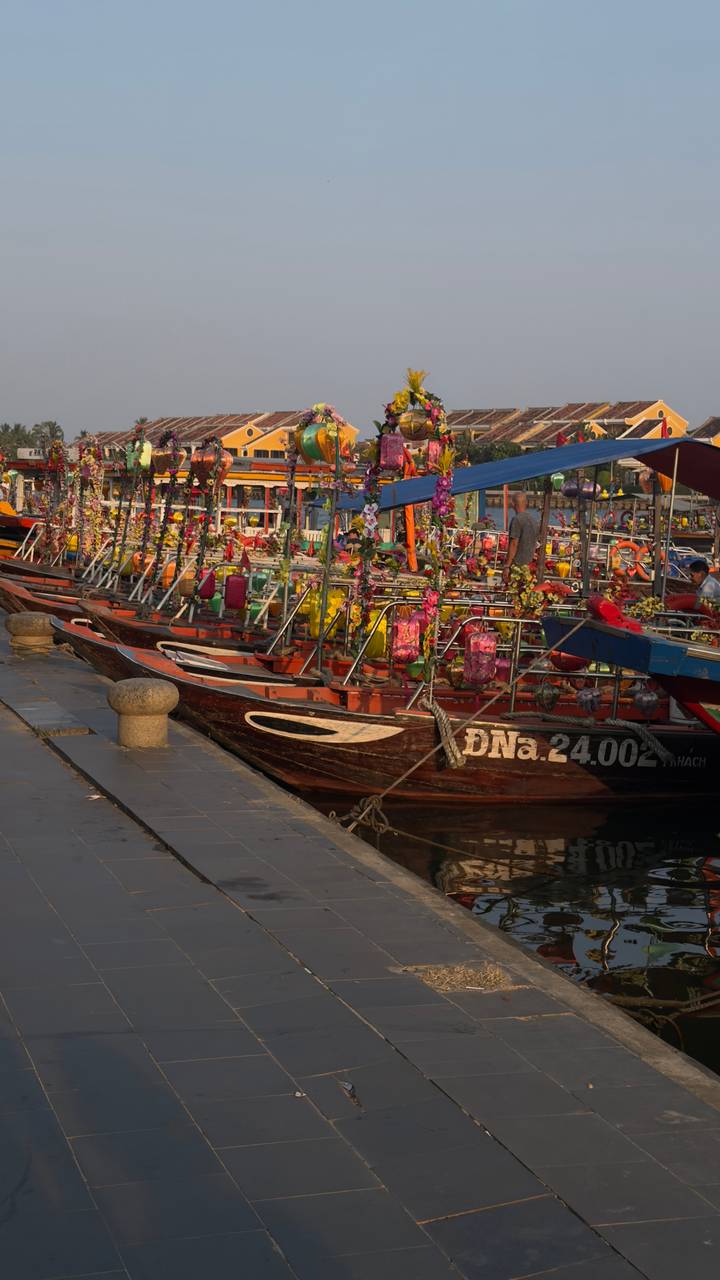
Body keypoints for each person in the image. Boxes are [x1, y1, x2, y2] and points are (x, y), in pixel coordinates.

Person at [502, 492, 539, 583]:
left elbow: (514, 543)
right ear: (526, 503)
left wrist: (507, 566)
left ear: (513, 504)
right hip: (530, 563)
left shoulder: (517, 520)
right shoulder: (533, 520)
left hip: (518, 564)